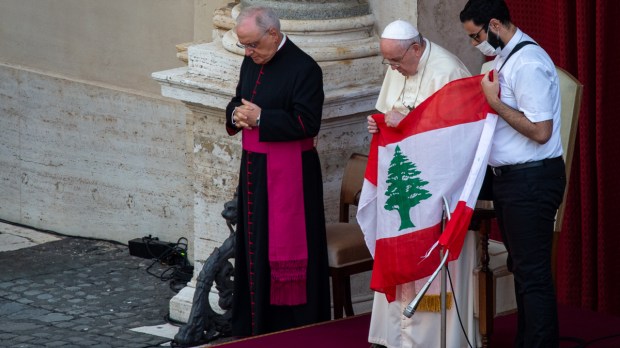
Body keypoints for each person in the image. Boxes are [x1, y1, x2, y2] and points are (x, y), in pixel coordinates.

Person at [366, 20, 478, 348]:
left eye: (397, 61)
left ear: (415, 48)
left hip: (436, 194)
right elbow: (387, 111)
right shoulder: (399, 63)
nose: (393, 69)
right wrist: (380, 124)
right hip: (403, 186)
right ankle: (394, 337)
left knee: (429, 266)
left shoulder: (447, 71)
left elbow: (456, 140)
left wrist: (409, 122)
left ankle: (433, 341)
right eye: (388, 62)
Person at [460, 1, 566, 347]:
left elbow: (540, 131)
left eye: (477, 35)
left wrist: (496, 104)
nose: (476, 43)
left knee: (532, 274)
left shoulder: (529, 63)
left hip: (532, 180)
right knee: (523, 270)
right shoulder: (505, 56)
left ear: (494, 24)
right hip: (511, 179)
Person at [224, 6, 331, 337]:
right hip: (254, 171)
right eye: (244, 45)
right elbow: (238, 100)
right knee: (253, 248)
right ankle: (253, 325)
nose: (248, 52)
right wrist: (235, 115)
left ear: (273, 34)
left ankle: (292, 330)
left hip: (291, 178)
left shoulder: (305, 68)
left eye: (253, 44)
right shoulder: (251, 60)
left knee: (284, 250)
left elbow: (307, 122)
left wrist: (261, 119)